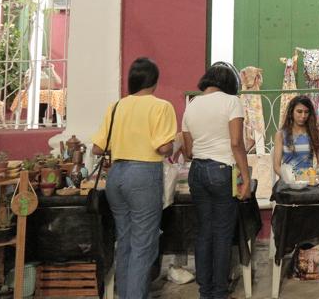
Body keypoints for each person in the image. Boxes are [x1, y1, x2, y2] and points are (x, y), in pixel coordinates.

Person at [91, 58, 177, 299]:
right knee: (143, 246)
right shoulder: (161, 107)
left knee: (125, 242)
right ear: (155, 81)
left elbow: (97, 148)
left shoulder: (116, 106)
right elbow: (163, 148)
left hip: (116, 176)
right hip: (143, 175)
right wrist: (173, 145)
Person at [182, 63, 252, 299]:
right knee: (222, 234)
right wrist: (245, 176)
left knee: (204, 232)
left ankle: (205, 292)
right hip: (222, 170)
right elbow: (236, 142)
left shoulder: (192, 104)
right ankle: (220, 293)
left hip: (197, 171)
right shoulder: (231, 102)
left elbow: (188, 151)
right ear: (230, 83)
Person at [273, 95, 319, 177]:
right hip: (288, 180)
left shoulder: (314, 133)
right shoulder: (280, 135)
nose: (303, 116)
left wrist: (314, 175)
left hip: (308, 180)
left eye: (306, 112)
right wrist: (290, 178)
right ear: (291, 112)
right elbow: (277, 167)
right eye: (299, 111)